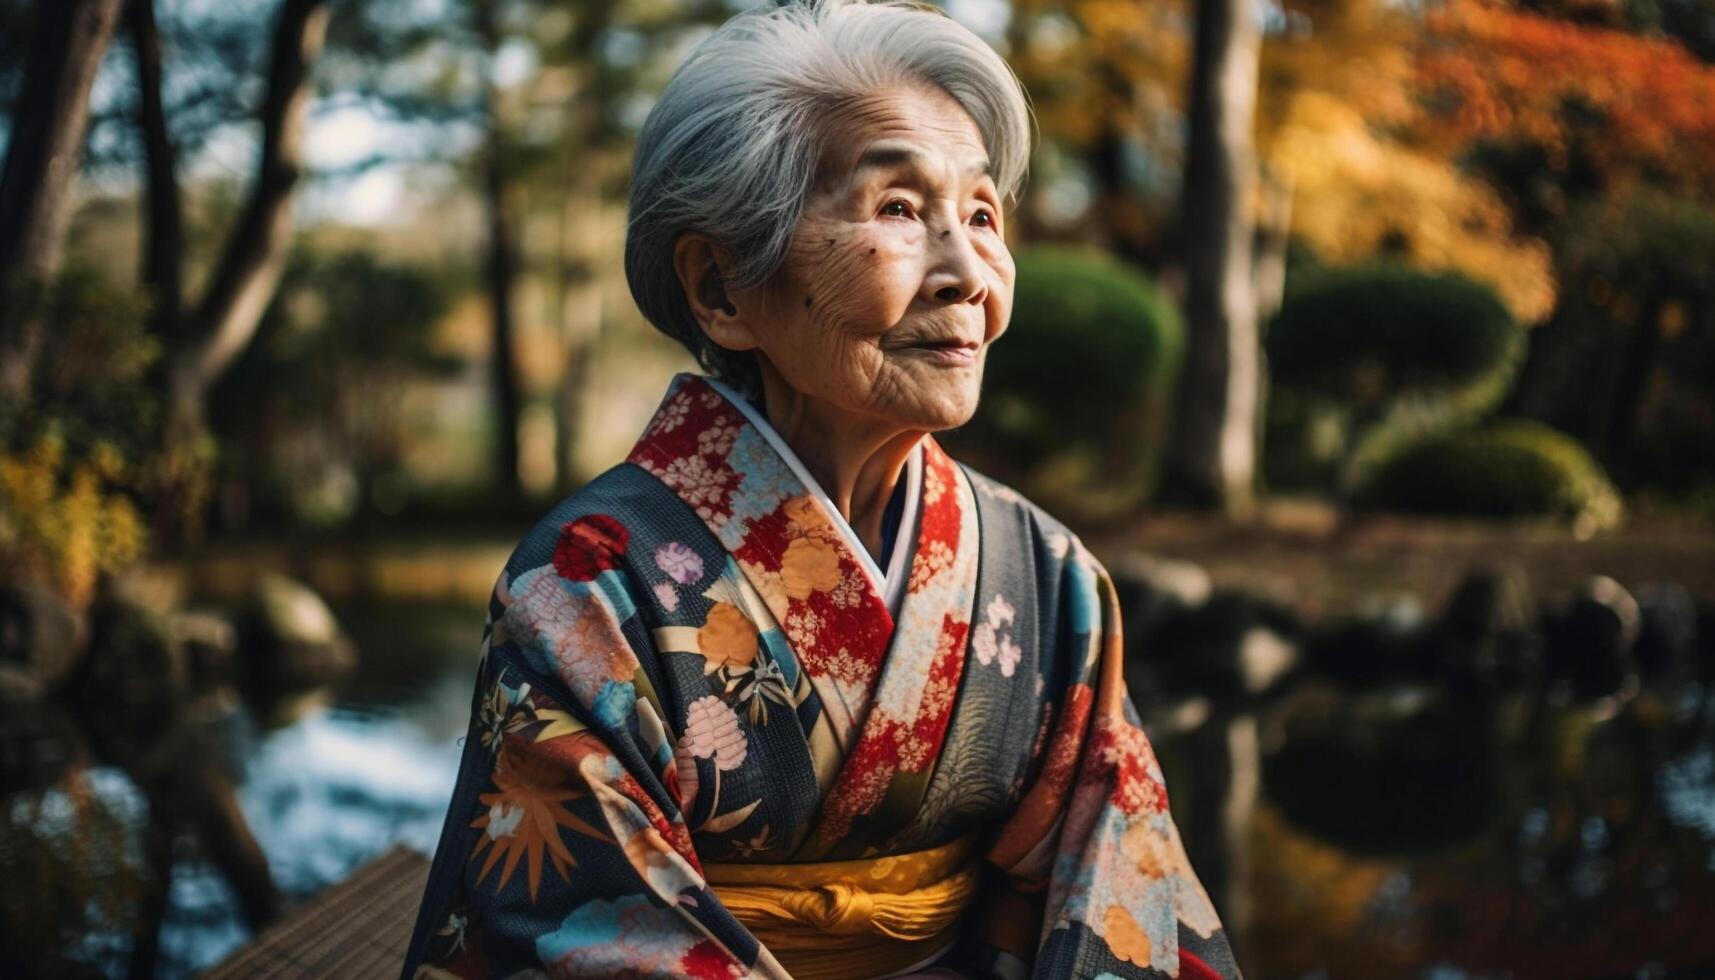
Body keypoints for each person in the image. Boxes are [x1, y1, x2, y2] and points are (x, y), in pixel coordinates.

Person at [401, 1, 1240, 977]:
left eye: (979, 214)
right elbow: (572, 932)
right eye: (894, 207)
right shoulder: (589, 582)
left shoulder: (1048, 576)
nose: (969, 272)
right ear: (720, 287)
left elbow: (1118, 883)